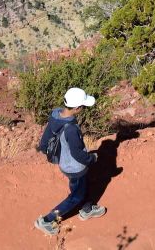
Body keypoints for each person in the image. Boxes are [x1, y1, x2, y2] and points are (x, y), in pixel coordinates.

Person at [34, 87, 107, 235]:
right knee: (76, 196)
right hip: (74, 167)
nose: (83, 108)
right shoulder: (71, 129)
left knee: (80, 186)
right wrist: (91, 158)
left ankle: (87, 207)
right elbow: (78, 154)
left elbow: (43, 144)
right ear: (77, 108)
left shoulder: (56, 116)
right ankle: (47, 220)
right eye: (83, 106)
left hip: (65, 163)